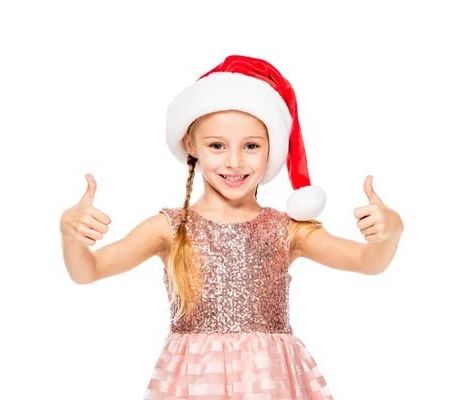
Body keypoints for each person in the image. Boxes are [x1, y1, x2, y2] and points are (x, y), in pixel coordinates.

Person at [60, 55, 404, 399]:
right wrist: (70, 234)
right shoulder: (169, 228)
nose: (235, 161)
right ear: (191, 145)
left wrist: (391, 231)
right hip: (195, 381)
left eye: (251, 146)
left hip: (269, 379)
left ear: (272, 149)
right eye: (217, 145)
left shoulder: (284, 230)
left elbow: (368, 262)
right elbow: (88, 271)